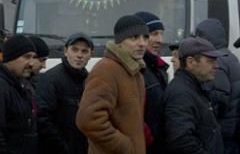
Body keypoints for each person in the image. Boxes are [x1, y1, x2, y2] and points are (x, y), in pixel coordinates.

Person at [76, 15, 147, 154]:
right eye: (134, 37)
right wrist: (124, 146)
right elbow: (88, 120)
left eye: (145, 37)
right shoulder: (106, 70)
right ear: (119, 42)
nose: (142, 43)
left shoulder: (135, 71)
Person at [163, 37, 224, 154]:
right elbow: (181, 141)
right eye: (210, 61)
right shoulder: (180, 93)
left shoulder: (194, 87)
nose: (216, 66)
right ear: (190, 62)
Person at [36, 32, 93, 154]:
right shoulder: (51, 79)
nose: (79, 55)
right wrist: (62, 148)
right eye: (75, 50)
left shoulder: (90, 81)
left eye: (84, 51)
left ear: (90, 55)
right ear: (66, 51)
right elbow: (43, 119)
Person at [195, 18, 240, 154]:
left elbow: (218, 98)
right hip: (233, 128)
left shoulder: (217, 62)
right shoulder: (230, 57)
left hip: (224, 131)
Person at [135, 11, 170, 154]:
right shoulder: (134, 69)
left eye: (161, 33)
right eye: (154, 34)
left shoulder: (159, 68)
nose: (160, 40)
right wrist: (146, 137)